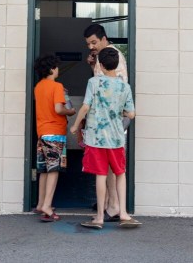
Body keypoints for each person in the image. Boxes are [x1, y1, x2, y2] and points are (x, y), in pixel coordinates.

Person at [70, 48, 140, 229]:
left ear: (100, 65)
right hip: (116, 138)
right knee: (120, 174)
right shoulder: (124, 86)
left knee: (100, 175)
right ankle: (124, 213)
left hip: (96, 138)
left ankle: (99, 217)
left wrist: (75, 125)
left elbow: (85, 107)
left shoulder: (94, 82)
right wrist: (119, 111)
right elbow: (131, 114)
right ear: (117, 65)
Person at [83, 23, 129, 221]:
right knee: (110, 163)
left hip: (109, 120)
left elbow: (109, 90)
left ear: (103, 39)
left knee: (109, 164)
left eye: (94, 42)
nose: (91, 47)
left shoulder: (111, 57)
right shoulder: (105, 58)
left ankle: (113, 206)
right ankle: (110, 202)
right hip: (109, 119)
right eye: (88, 44)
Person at [32, 54, 77, 222]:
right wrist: (71, 112)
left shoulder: (38, 87)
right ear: (52, 69)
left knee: (43, 169)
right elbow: (59, 109)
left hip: (42, 132)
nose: (58, 69)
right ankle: (47, 206)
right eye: (56, 67)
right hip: (55, 133)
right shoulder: (57, 86)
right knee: (54, 170)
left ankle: (40, 203)